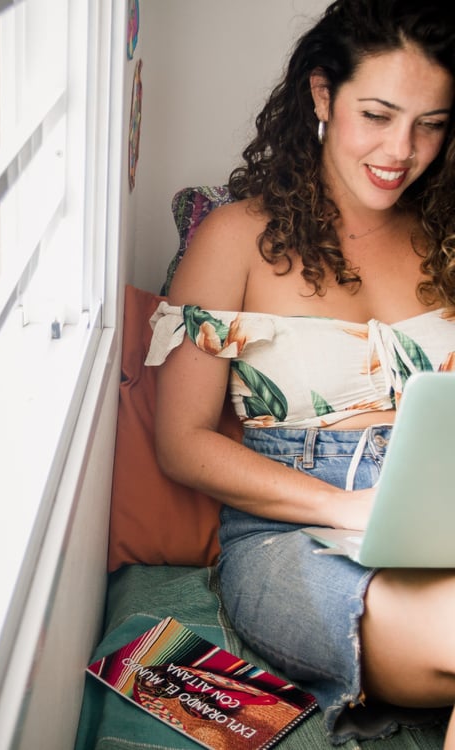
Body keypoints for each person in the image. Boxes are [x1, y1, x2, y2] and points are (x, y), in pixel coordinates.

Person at [147, 0, 455, 745]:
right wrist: (347, 508)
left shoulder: (447, 238)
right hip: (296, 536)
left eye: (431, 124)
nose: (401, 150)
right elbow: (182, 442)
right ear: (322, 94)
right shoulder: (235, 238)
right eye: (377, 115)